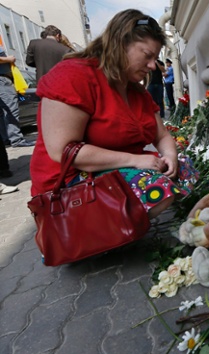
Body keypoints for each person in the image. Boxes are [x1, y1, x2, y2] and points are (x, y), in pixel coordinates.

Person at [30, 9, 197, 220]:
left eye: (155, 58)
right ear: (120, 44)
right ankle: (94, 234)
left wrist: (170, 156)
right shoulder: (74, 75)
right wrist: (135, 160)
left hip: (115, 169)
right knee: (157, 187)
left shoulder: (135, 90)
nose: (153, 66)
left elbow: (161, 135)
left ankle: (118, 231)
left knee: (184, 168)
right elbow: (63, 151)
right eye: (147, 56)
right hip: (70, 183)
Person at [0, 46, 35, 147]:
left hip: (3, 79)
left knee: (3, 113)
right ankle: (16, 140)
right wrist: (8, 59)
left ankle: (6, 139)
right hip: (2, 80)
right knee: (11, 110)